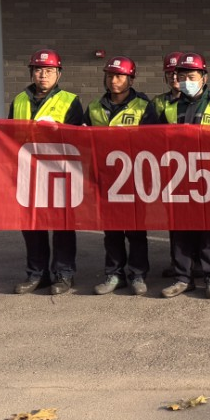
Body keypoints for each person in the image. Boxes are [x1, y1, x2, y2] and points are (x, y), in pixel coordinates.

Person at [158, 52, 210, 300]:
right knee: (180, 228)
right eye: (182, 77)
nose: (186, 81)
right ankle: (183, 276)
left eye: (192, 76)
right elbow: (151, 138)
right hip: (178, 177)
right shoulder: (168, 107)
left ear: (204, 77)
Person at [10, 49, 86, 295]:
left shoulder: (70, 101)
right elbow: (10, 136)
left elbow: (79, 139)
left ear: (58, 74)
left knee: (62, 226)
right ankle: (36, 274)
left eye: (49, 71)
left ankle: (64, 274)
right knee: (32, 226)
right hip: (28, 173)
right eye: (39, 70)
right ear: (32, 72)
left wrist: (58, 130)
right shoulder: (19, 100)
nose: (43, 75)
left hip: (58, 173)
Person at [86, 56, 160, 296]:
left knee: (136, 230)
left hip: (135, 177)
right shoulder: (95, 107)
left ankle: (138, 275)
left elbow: (153, 141)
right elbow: (83, 139)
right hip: (107, 178)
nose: (114, 80)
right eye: (110, 76)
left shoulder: (143, 106)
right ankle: (114, 274)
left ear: (131, 79)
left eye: (119, 76)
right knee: (112, 232)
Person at [151, 51, 183, 119]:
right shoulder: (158, 102)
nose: (174, 77)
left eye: (178, 73)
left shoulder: (197, 101)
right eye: (169, 73)